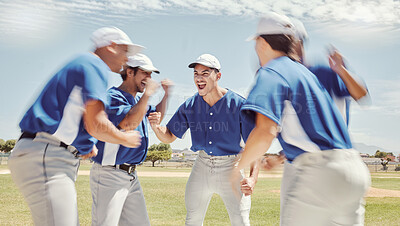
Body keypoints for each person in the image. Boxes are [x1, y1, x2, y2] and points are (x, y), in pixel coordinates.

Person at [233, 13, 371, 226]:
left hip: (318, 171)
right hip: (353, 169)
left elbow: (265, 131)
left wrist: (236, 168)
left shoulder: (272, 71)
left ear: (261, 43)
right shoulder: (308, 76)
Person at [8, 27, 143, 226]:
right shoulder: (93, 64)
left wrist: (86, 145)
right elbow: (96, 123)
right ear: (111, 47)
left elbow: (75, 112)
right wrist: (125, 138)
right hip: (48, 153)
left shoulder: (85, 64)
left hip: (47, 153)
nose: (127, 59)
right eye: (125, 51)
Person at [149, 53, 259, 226]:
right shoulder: (190, 104)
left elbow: (255, 145)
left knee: (241, 221)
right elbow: (169, 136)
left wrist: (252, 178)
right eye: (196, 74)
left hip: (231, 167)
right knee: (192, 220)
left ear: (218, 76)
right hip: (202, 165)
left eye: (205, 73)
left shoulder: (238, 105)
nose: (199, 78)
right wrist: (156, 127)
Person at [90, 53, 173, 226]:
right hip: (109, 175)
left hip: (131, 176)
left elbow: (156, 115)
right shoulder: (113, 96)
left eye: (151, 75)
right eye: (145, 73)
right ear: (130, 73)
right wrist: (148, 95)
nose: (149, 79)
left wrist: (166, 95)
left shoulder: (137, 99)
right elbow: (128, 122)